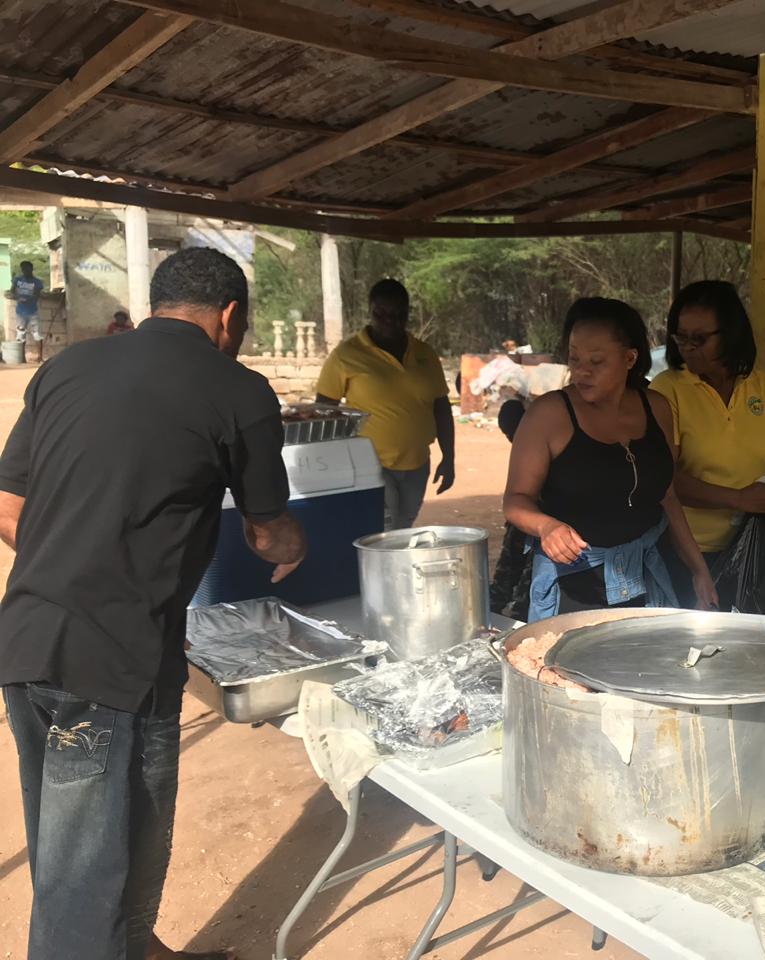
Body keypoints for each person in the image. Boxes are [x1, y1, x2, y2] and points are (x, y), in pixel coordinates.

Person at [0, 247, 307, 960]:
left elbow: (8, 506)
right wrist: (295, 544)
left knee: (99, 840)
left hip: (29, 639)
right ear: (230, 315)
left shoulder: (67, 367)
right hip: (109, 662)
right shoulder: (237, 389)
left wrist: (80, 574)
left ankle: (135, 950)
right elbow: (266, 533)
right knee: (83, 875)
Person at [504, 297, 716, 620]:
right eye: (574, 358)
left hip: (648, 575)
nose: (581, 371)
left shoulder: (656, 407)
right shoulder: (549, 415)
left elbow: (668, 496)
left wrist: (698, 569)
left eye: (596, 361)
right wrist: (546, 526)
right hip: (576, 583)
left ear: (630, 358)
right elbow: (516, 499)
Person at [649, 280, 765, 600]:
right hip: (686, 551)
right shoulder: (668, 390)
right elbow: (664, 479)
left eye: (699, 338)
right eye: (681, 337)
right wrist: (739, 499)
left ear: (731, 335)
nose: (688, 347)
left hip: (752, 544)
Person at [316, 279, 454, 531]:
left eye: (397, 314)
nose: (389, 321)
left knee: (403, 527)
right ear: (370, 311)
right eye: (381, 314)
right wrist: (331, 463)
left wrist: (449, 457)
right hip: (371, 463)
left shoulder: (425, 353)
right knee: (384, 532)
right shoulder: (347, 355)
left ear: (407, 314)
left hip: (417, 463)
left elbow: (441, 408)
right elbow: (324, 409)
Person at [489, 399, 531, 620]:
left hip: (542, 519)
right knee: (513, 563)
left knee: (527, 572)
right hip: (530, 517)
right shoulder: (528, 441)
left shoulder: (534, 441)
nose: (510, 439)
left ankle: (515, 609)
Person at [8, 261, 45, 363]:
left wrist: (27, 299)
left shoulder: (37, 282)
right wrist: (18, 297)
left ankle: (40, 357)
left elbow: (37, 295)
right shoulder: (17, 280)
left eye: (27, 269)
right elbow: (12, 292)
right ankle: (22, 358)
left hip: (33, 311)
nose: (25, 271)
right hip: (20, 312)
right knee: (20, 334)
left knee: (37, 334)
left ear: (31, 269)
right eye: (23, 269)